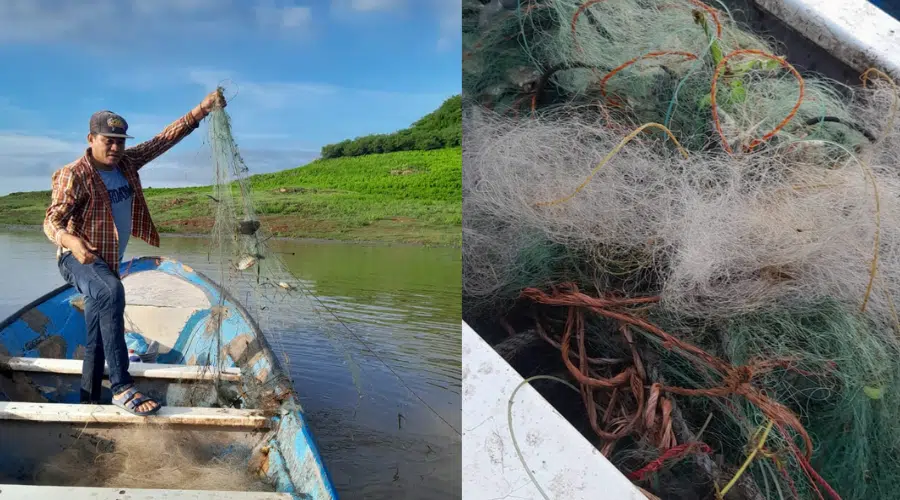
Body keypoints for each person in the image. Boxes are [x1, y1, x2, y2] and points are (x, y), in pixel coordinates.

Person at [42, 89, 227, 416]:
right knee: (113, 291)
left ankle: (88, 405)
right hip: (77, 258)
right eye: (108, 140)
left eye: (120, 141)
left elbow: (162, 140)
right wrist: (71, 242)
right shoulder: (75, 174)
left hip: (107, 261)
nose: (115, 147)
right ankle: (122, 385)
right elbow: (51, 219)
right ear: (91, 138)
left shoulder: (126, 163)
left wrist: (202, 110)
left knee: (97, 336)